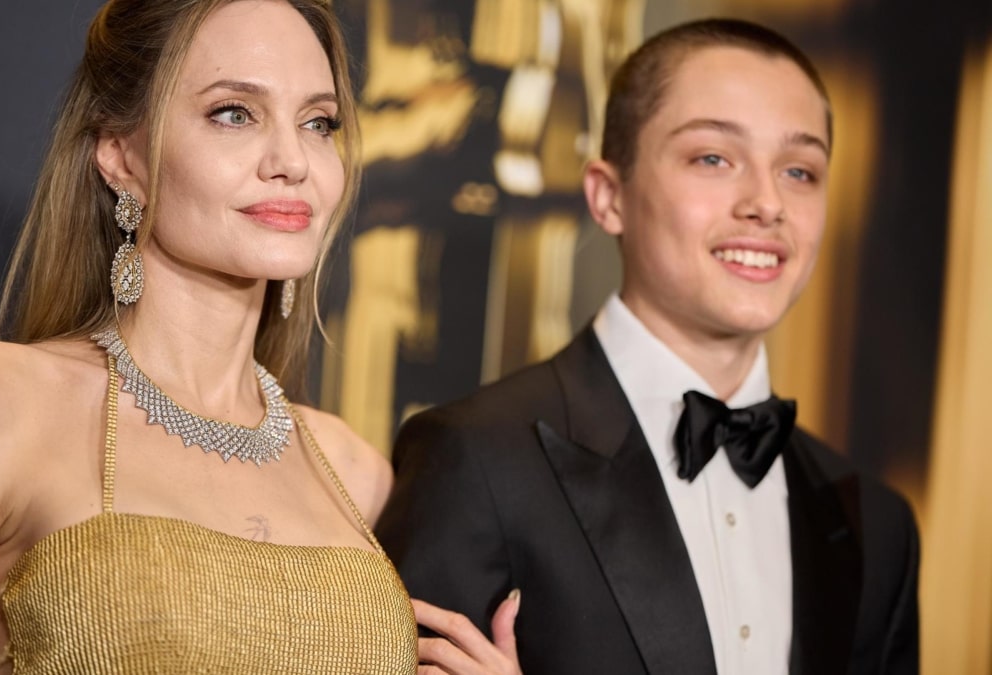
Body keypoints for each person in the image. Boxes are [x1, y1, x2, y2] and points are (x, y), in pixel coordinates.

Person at [0, 1, 418, 673]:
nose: (292, 160)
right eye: (234, 112)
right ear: (120, 154)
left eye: (318, 122)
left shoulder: (356, 472)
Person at [376, 18, 919, 675]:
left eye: (800, 170)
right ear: (609, 197)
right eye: (713, 157)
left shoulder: (878, 526)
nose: (767, 202)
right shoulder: (475, 458)